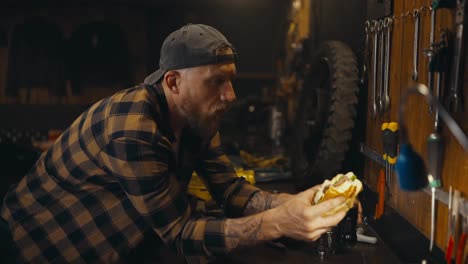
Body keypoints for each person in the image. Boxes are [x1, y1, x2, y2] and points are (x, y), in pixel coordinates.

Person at [0, 24, 347, 263]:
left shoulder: (198, 118)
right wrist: (278, 222)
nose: (230, 95)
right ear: (174, 82)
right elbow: (179, 233)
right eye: (217, 82)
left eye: (231, 81)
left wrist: (290, 202)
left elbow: (229, 190)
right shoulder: (134, 128)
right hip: (32, 249)